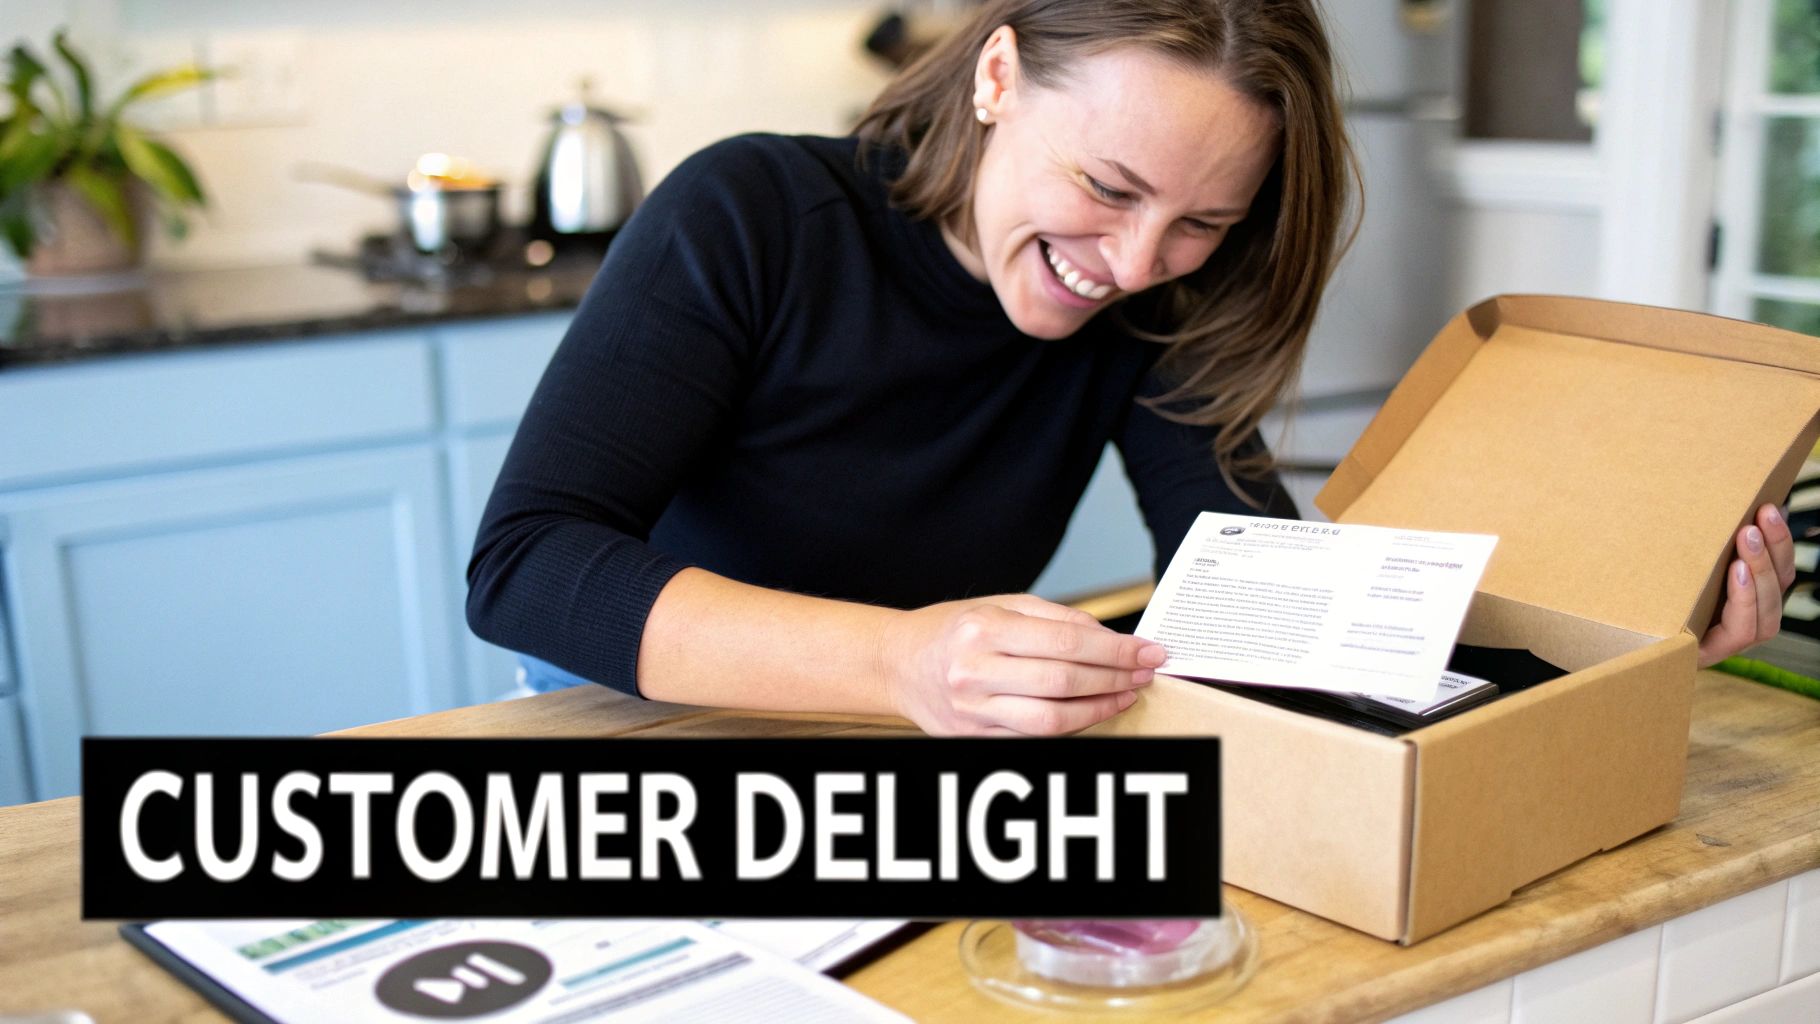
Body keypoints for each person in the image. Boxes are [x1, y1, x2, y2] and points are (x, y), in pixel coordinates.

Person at [468, 0, 1795, 736]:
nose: (1137, 261)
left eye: (1203, 222)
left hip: (924, 731)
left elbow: (1262, 593)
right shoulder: (751, 214)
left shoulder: (1159, 297)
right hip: (639, 714)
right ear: (998, 75)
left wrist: (1634, 633)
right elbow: (526, 567)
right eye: (1108, 187)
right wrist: (902, 665)